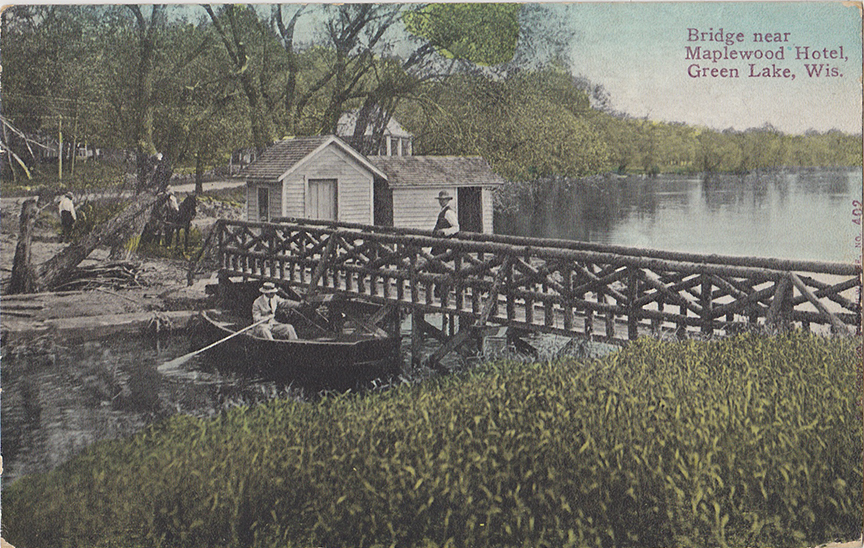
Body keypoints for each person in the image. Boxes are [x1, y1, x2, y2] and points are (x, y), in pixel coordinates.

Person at [431, 190, 459, 256]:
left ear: (447, 200)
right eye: (440, 200)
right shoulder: (442, 211)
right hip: (438, 242)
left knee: (438, 260)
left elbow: (456, 227)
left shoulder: (449, 212)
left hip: (444, 242)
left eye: (444, 200)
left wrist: (444, 231)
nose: (441, 201)